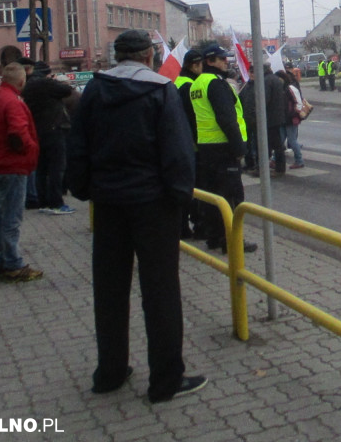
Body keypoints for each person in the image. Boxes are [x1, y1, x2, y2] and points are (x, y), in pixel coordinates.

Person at [64, 30, 206, 403]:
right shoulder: (161, 91)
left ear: (118, 55)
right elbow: (178, 151)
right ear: (148, 56)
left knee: (109, 290)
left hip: (108, 204)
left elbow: (77, 144)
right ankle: (165, 381)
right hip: (154, 205)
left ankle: (109, 373)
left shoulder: (95, 91)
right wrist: (180, 199)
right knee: (160, 292)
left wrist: (82, 189)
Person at [188, 44, 256, 256]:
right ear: (210, 61)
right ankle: (232, 242)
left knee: (212, 197)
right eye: (221, 59)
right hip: (224, 148)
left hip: (206, 148)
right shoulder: (217, 84)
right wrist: (239, 148)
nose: (226, 61)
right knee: (232, 197)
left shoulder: (197, 83)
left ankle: (214, 237)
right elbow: (227, 119)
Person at [0, 63, 43, 283]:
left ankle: (3, 260)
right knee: (12, 218)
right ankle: (13, 264)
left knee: (3, 216)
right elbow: (18, 133)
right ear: (21, 81)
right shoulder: (13, 101)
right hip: (13, 165)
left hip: (0, 163)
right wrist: (32, 151)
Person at [22, 61, 77, 215]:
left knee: (41, 168)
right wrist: (52, 80)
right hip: (54, 130)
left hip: (37, 130)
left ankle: (43, 202)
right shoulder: (46, 84)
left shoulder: (29, 85)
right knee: (57, 168)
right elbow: (67, 89)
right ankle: (56, 202)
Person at [174, 49, 205, 237]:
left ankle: (182, 227)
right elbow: (193, 118)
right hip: (191, 145)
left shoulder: (177, 82)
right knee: (195, 190)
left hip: (179, 143)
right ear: (194, 65)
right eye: (200, 65)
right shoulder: (189, 86)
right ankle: (194, 227)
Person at [278, 70, 305, 169]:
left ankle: (299, 160)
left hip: (290, 119)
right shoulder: (284, 88)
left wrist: (293, 114)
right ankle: (274, 159)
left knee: (292, 140)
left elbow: (299, 102)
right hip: (284, 118)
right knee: (279, 140)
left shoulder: (290, 88)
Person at [264, 66, 288, 175]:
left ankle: (278, 168)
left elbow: (264, 99)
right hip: (277, 116)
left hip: (270, 117)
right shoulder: (275, 79)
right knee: (276, 144)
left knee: (274, 144)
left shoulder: (266, 81)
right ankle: (279, 166)